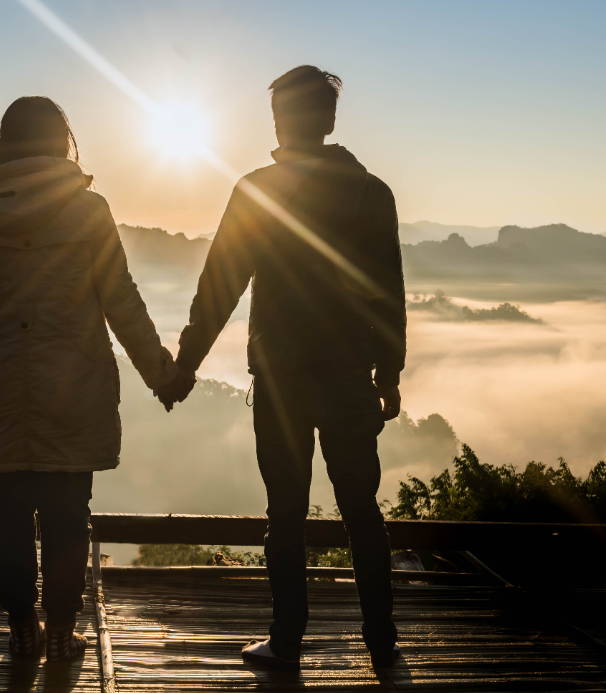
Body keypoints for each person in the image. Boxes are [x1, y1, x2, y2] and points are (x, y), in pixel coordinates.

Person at [157, 66, 406, 669]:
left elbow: (220, 285)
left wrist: (184, 366)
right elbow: (387, 293)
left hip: (282, 379)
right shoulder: (371, 192)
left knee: (286, 512)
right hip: (348, 375)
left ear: (284, 122)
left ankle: (286, 641)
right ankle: (382, 644)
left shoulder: (257, 190)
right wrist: (387, 373)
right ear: (330, 119)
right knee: (362, 510)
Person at [0, 96, 175, 662]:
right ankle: (62, 629)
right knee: (69, 513)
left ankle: (22, 628)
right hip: (72, 382)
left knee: (9, 513)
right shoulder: (88, 210)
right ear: (59, 141)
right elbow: (120, 299)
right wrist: (161, 373)